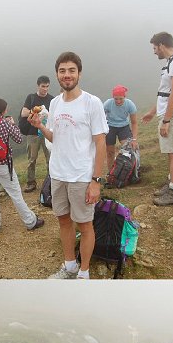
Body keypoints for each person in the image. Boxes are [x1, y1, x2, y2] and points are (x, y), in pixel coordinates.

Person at [29, 52, 108, 280]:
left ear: (79, 73)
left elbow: (100, 142)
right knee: (63, 220)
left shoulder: (91, 103)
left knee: (84, 225)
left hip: (82, 176)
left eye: (71, 70)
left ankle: (84, 273)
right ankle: (70, 266)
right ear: (57, 74)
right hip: (58, 174)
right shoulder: (54, 103)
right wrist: (41, 127)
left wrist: (96, 181)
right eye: (62, 71)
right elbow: (56, 137)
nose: (67, 75)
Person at [0, 98, 45, 234]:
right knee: (16, 194)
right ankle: (31, 222)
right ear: (4, 110)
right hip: (4, 165)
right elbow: (18, 139)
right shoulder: (5, 123)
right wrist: (12, 124)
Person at [142, 32, 173, 207]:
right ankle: (172, 183)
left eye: (155, 48)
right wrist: (153, 112)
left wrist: (167, 120)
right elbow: (166, 92)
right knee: (171, 150)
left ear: (162, 45)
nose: (154, 52)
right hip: (169, 111)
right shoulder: (172, 63)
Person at [19, 76, 55, 192]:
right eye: (43, 86)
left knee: (50, 158)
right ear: (38, 86)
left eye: (47, 86)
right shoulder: (31, 97)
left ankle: (51, 182)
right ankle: (31, 182)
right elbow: (24, 113)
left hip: (47, 132)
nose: (45, 89)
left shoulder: (52, 99)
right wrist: (35, 111)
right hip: (33, 132)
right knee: (32, 159)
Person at [102, 85, 139, 171]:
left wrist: (134, 139)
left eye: (121, 99)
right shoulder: (108, 103)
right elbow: (101, 118)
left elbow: (134, 123)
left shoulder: (130, 104)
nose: (118, 101)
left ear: (125, 97)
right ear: (113, 97)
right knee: (110, 152)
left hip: (124, 127)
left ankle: (130, 171)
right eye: (116, 99)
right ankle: (111, 174)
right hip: (110, 127)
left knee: (128, 150)